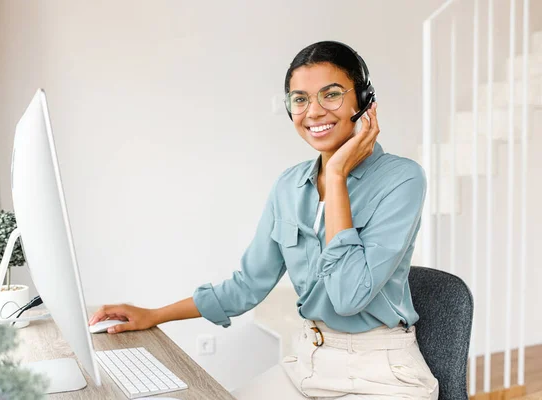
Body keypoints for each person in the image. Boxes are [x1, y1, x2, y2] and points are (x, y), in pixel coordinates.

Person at [89, 41, 439, 399]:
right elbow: (247, 286)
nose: (314, 111)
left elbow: (348, 297)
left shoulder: (402, 179)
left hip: (379, 375)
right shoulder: (289, 185)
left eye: (330, 95)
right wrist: (153, 315)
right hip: (309, 362)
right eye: (300, 99)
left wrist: (335, 177)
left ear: (363, 101)